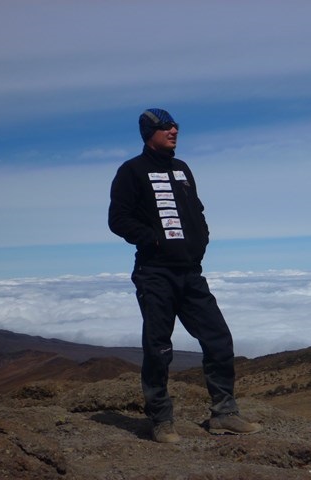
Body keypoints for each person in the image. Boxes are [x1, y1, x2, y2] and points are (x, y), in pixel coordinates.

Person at [108, 108, 262, 443]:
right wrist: (153, 239)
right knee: (158, 347)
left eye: (175, 125)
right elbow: (118, 219)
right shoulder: (132, 171)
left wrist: (201, 238)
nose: (174, 130)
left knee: (218, 339)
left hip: (191, 273)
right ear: (149, 132)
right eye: (165, 126)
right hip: (154, 273)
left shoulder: (182, 169)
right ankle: (161, 420)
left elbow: (197, 209)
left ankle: (224, 414)